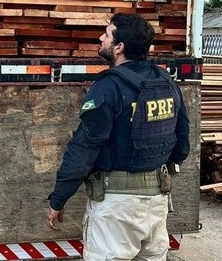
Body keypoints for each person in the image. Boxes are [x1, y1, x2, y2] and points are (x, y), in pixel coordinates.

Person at [46, 13, 190, 261]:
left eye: (107, 34)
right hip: (157, 201)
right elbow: (182, 140)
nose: (101, 38)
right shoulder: (166, 82)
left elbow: (83, 149)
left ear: (119, 47)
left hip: (116, 208)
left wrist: (58, 200)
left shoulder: (109, 87)